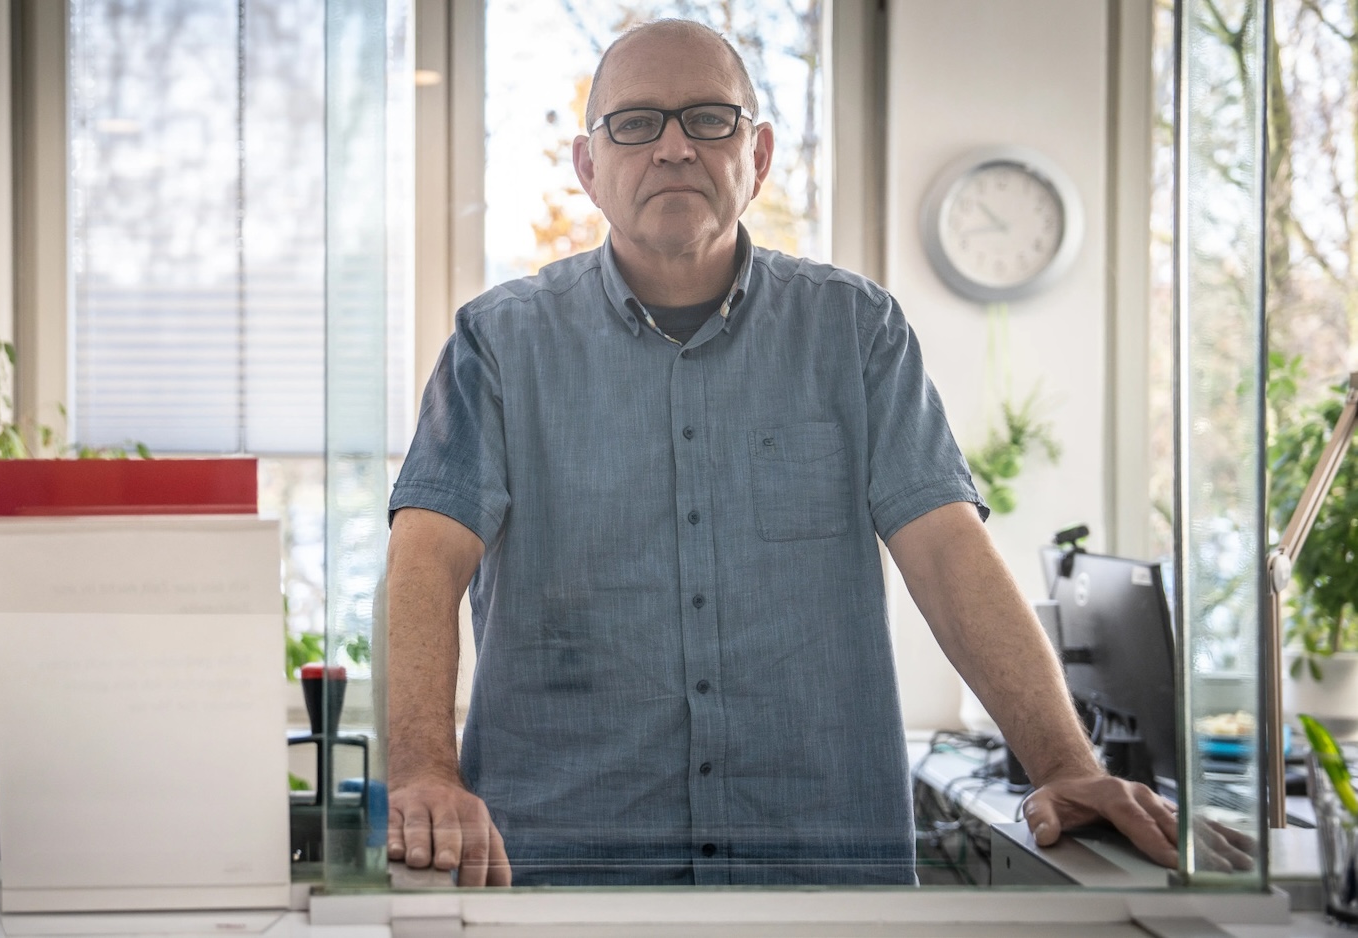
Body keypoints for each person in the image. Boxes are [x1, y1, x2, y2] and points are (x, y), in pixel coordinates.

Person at [383, 18, 1250, 887]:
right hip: (561, 867)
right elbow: (425, 561)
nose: (675, 147)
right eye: (636, 123)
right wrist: (425, 770)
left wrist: (1066, 765)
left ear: (756, 156)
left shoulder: (854, 331)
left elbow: (948, 555)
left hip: (823, 870)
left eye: (709, 119)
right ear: (588, 167)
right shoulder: (497, 344)